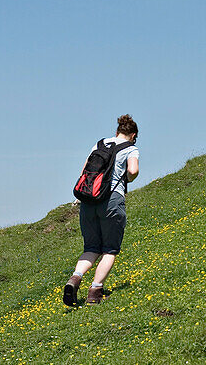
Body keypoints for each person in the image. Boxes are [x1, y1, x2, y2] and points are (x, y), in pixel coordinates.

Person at [63, 115, 140, 306]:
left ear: (116, 131)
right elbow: (133, 171)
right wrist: (125, 180)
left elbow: (84, 171)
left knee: (91, 247)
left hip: (89, 200)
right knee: (109, 249)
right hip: (112, 200)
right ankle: (95, 292)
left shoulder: (99, 144)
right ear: (133, 135)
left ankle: (75, 278)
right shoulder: (131, 148)